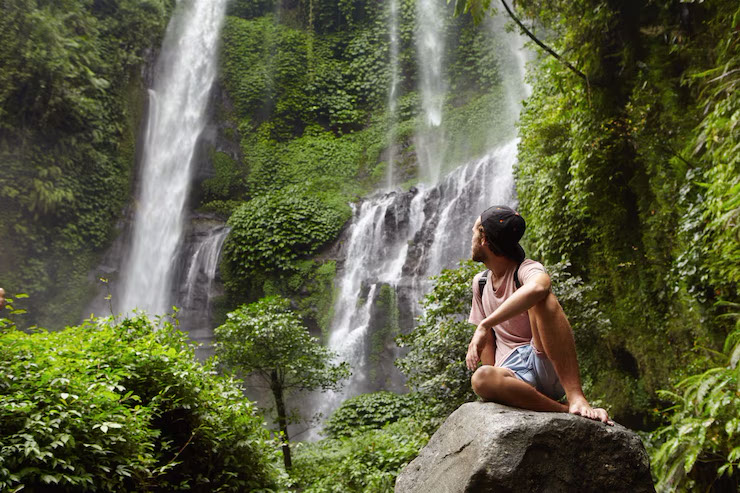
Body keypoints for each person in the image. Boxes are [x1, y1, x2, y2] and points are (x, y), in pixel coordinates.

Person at [466, 205, 611, 424]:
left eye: (475, 232)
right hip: (514, 375)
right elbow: (488, 344)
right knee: (482, 377)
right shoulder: (481, 283)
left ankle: (576, 397)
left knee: (543, 299)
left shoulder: (526, 269)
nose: (471, 238)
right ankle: (563, 409)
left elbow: (539, 287)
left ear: (484, 238)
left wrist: (485, 325)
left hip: (544, 360)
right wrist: (497, 380)